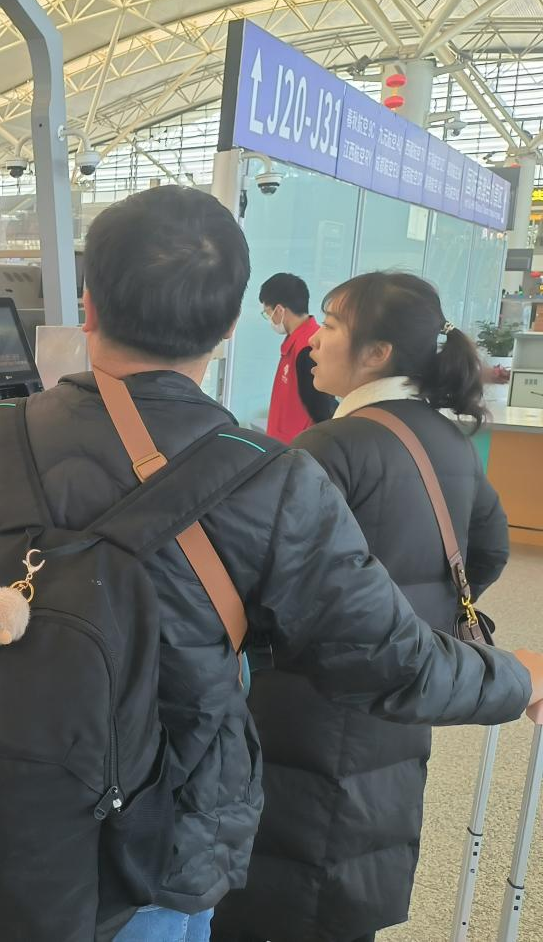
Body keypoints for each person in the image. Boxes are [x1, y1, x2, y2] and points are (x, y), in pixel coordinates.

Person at [0, 186, 543, 942]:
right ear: (231, 326)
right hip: (153, 847)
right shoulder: (270, 480)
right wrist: (517, 675)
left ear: (90, 305)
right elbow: (392, 661)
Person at [213, 273, 509, 942]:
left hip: (306, 713)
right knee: (348, 878)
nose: (316, 342)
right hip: (404, 698)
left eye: (332, 327)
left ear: (377, 353)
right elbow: (488, 550)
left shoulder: (331, 447)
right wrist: (417, 622)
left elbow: (264, 580)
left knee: (285, 886)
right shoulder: (448, 441)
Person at [261, 272, 335, 442]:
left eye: (267, 313)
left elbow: (321, 410)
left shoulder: (309, 348)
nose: (269, 319)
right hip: (284, 443)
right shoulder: (295, 342)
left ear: (279, 310)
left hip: (297, 447)